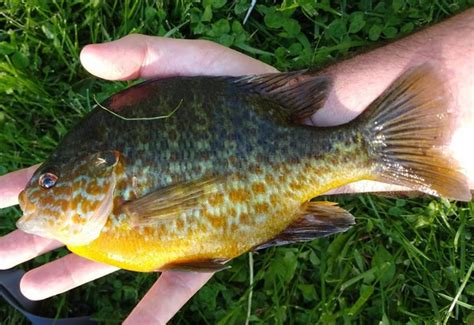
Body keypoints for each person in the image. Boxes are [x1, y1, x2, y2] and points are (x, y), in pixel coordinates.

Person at [0, 8, 472, 324]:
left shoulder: (118, 217)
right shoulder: (107, 225)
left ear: (105, 167)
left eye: (49, 180)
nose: (36, 194)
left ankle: (375, 145)